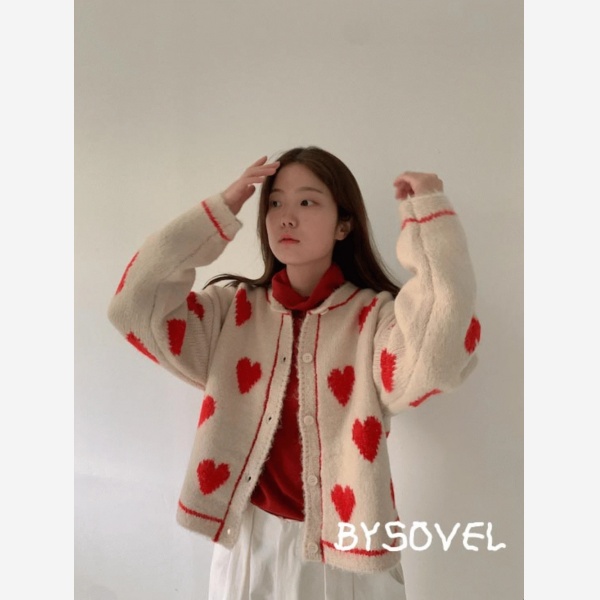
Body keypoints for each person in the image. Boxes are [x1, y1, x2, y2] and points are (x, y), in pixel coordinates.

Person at [108, 146, 481, 599]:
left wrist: (431, 217)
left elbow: (440, 353)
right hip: (247, 543)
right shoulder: (231, 314)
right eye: (274, 202)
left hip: (346, 554)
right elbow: (133, 305)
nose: (286, 217)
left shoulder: (374, 321)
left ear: (344, 224)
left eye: (307, 201)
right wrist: (223, 209)